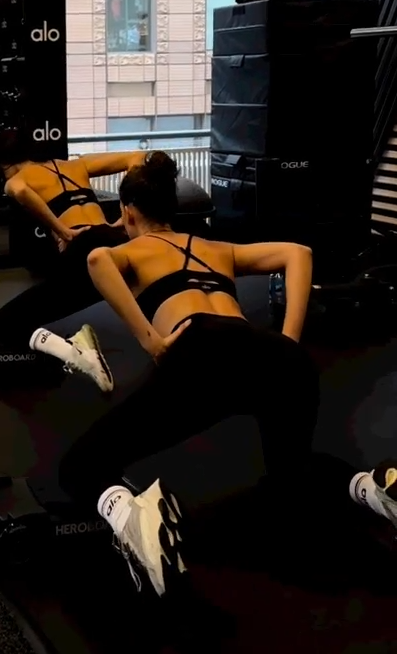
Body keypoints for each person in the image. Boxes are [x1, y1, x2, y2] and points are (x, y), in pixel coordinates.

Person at [34, 151, 320, 599]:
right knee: (290, 479)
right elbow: (298, 253)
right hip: (278, 358)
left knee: (79, 468)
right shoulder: (217, 248)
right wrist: (290, 342)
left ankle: (137, 522)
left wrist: (150, 340)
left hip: (203, 350)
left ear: (129, 212)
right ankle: (373, 489)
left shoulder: (133, 249)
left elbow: (98, 262)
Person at [0, 128, 150, 390]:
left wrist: (63, 230)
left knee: (0, 325)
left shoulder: (18, 177)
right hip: (114, 243)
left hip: (84, 251)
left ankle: (77, 352)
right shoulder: (76, 165)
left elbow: (19, 191)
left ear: (5, 164)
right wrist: (126, 211)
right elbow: (137, 157)